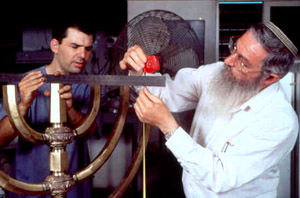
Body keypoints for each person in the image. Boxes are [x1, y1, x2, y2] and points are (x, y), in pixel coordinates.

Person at [119, 21, 299, 198]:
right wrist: (138, 72)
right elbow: (165, 92)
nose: (228, 61)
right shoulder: (217, 73)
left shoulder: (279, 121)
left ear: (270, 78)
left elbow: (220, 178)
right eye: (235, 48)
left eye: (243, 63)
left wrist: (169, 127)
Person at [0, 22, 97, 198]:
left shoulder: (90, 86)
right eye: (75, 46)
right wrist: (22, 106)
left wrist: (70, 109)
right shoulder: (24, 83)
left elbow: (90, 131)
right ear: (55, 46)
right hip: (28, 189)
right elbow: (0, 138)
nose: (82, 55)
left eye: (88, 49)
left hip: (73, 188)